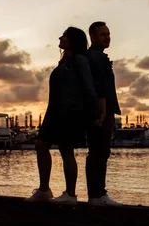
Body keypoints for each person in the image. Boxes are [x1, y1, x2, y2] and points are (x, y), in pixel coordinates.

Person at [25, 27, 100, 203]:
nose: (60, 37)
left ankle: (70, 194)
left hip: (70, 112)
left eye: (65, 36)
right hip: (55, 111)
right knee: (40, 144)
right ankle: (44, 189)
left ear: (73, 40)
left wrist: (95, 113)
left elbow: (89, 87)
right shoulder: (65, 60)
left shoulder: (80, 60)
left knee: (66, 150)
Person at [85, 21, 122, 206]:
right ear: (92, 36)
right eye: (102, 34)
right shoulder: (96, 58)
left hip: (102, 110)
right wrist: (103, 111)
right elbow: (100, 87)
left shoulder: (95, 57)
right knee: (99, 152)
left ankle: (96, 194)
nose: (107, 37)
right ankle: (97, 195)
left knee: (98, 152)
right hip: (102, 111)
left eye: (108, 34)